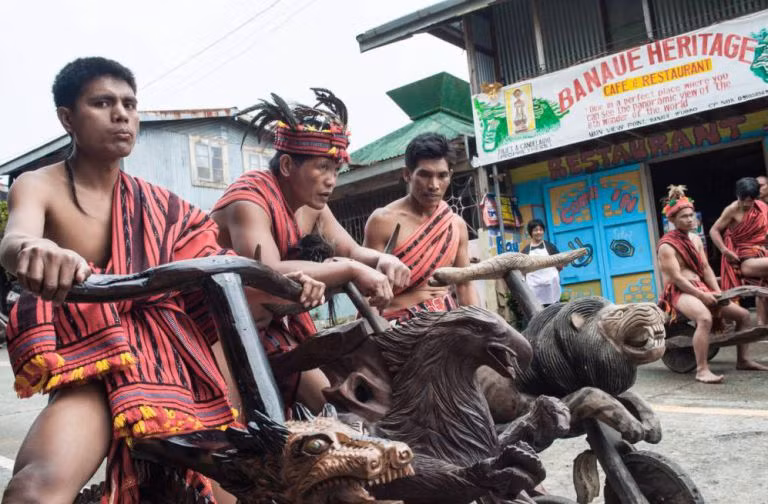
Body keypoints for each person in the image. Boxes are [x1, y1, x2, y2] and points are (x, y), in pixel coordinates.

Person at [0, 57, 323, 504]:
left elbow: (220, 267)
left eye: (129, 104)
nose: (121, 114)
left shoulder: (163, 205)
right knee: (34, 491)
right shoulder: (39, 184)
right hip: (98, 364)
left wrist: (289, 286)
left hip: (175, 366)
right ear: (67, 118)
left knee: (241, 486)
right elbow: (16, 240)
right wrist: (38, 251)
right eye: (103, 103)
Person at [210, 89, 410, 409]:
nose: (331, 180)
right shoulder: (249, 200)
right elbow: (267, 274)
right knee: (231, 428)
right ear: (287, 164)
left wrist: (383, 259)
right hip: (216, 330)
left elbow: (352, 251)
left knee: (333, 407)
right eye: (322, 167)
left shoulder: (312, 205)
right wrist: (352, 270)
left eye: (336, 170)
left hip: (268, 327)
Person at [363, 132, 478, 322]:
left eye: (442, 176)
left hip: (449, 322)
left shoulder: (455, 224)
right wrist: (376, 333)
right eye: (425, 175)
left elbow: (464, 286)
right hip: (399, 324)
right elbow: (367, 288)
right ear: (407, 174)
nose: (434, 185)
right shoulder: (382, 221)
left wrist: (480, 327)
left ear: (450, 175)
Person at [657, 185, 759, 384]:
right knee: (704, 318)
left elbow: (705, 268)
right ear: (672, 220)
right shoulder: (666, 245)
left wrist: (718, 292)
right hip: (679, 291)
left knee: (744, 316)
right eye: (684, 216)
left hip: (701, 287)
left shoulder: (695, 239)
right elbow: (676, 279)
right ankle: (702, 370)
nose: (690, 219)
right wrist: (702, 295)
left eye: (691, 215)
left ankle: (743, 360)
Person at [520, 219, 562, 306]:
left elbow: (560, 264)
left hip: (551, 288)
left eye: (541, 230)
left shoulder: (550, 247)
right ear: (531, 232)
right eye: (535, 230)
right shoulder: (525, 251)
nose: (538, 232)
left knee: (554, 310)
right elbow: (522, 271)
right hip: (534, 288)